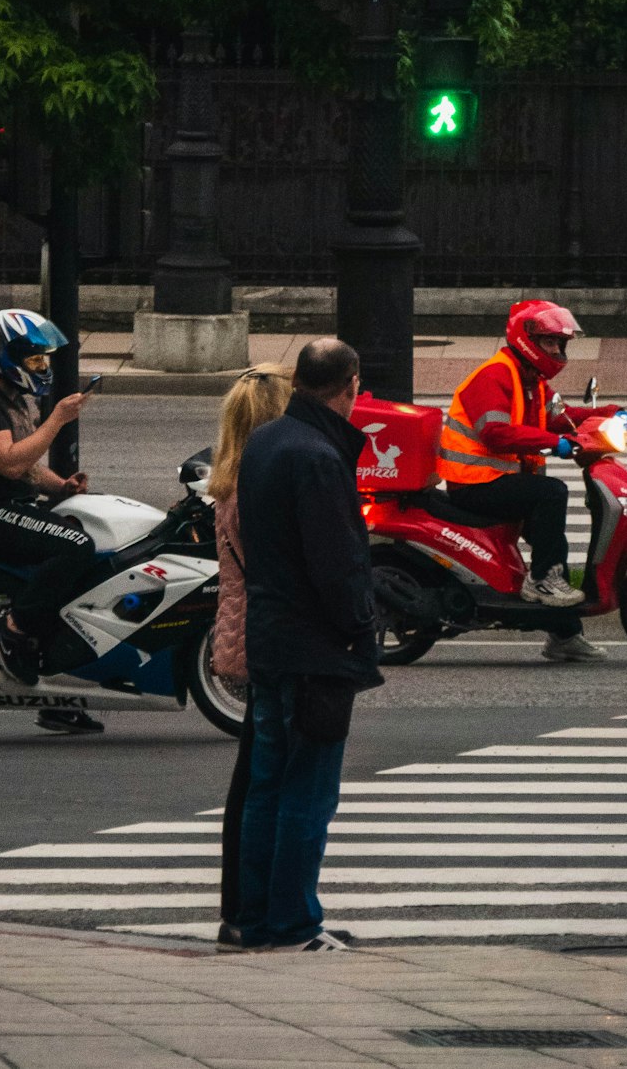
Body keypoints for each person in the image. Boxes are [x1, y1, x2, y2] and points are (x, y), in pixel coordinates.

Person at [233, 338, 382, 952]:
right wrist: (361, 629)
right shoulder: (319, 456)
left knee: (267, 783)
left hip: (271, 637)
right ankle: (294, 923)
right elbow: (337, 563)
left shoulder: (267, 440)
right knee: (308, 792)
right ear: (349, 385)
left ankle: (256, 917)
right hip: (314, 647)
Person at [0, 307, 103, 733]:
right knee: (76, 546)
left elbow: (30, 469)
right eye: (34, 359)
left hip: (16, 509)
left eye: (43, 359)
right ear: (5, 356)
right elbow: (10, 465)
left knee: (89, 543)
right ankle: (14, 629)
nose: (42, 367)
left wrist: (62, 487)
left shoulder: (16, 399)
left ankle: (55, 690)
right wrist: (57, 420)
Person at [435, 299, 621, 663]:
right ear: (527, 341)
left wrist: (606, 413)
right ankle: (540, 583)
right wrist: (557, 444)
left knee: (553, 545)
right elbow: (496, 432)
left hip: (501, 481)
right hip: (474, 484)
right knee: (552, 493)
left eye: (559, 343)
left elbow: (561, 417)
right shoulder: (495, 375)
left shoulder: (531, 380)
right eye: (550, 342)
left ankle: (564, 636)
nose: (556, 350)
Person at [206, 364, 294, 952]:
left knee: (251, 778)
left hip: (243, 635)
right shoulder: (257, 487)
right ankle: (245, 910)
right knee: (262, 781)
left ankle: (239, 908)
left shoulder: (230, 480)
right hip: (263, 638)